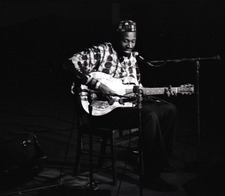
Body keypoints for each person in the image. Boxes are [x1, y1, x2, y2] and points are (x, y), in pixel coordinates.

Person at [63, 19, 178, 192]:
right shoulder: (103, 51)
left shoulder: (132, 59)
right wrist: (98, 85)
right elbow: (70, 63)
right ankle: (151, 176)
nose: (129, 45)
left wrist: (152, 93)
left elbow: (135, 90)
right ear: (118, 38)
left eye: (133, 41)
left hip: (122, 108)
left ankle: (161, 161)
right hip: (101, 111)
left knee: (169, 109)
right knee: (148, 116)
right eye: (125, 40)